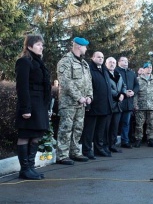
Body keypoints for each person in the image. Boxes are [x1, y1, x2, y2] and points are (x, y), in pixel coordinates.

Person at [15, 34, 51, 180]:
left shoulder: (39, 63)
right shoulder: (24, 62)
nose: (41, 47)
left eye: (42, 45)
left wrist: (46, 107)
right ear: (29, 46)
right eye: (38, 44)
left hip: (40, 106)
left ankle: (30, 167)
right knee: (25, 136)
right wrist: (25, 109)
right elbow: (22, 87)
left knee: (36, 136)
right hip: (29, 105)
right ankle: (24, 169)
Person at [56, 37, 93, 165]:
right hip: (68, 103)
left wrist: (89, 96)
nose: (86, 49)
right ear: (78, 46)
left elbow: (88, 82)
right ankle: (62, 155)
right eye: (85, 46)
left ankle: (75, 152)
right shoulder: (65, 61)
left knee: (78, 128)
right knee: (66, 128)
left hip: (81, 103)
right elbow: (66, 82)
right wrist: (79, 97)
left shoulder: (84, 64)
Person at [81, 52, 113, 158]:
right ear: (92, 57)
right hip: (93, 105)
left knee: (100, 130)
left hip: (104, 106)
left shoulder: (104, 69)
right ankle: (87, 150)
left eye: (102, 57)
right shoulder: (89, 69)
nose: (101, 59)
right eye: (98, 57)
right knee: (89, 130)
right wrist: (88, 104)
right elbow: (86, 86)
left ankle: (99, 149)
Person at [133, 62, 153, 148]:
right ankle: (138, 139)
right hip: (140, 105)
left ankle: (151, 139)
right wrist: (135, 104)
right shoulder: (138, 79)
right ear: (144, 68)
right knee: (139, 124)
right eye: (148, 67)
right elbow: (135, 93)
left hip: (151, 105)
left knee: (151, 123)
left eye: (151, 67)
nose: (150, 69)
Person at [115, 56, 138, 148]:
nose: (126, 62)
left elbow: (137, 85)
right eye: (123, 61)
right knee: (115, 123)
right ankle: (112, 142)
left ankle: (125, 141)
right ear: (118, 62)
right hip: (119, 102)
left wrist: (133, 92)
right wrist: (124, 92)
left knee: (126, 123)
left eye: (127, 61)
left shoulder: (131, 73)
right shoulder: (116, 71)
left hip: (129, 102)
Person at [105, 57, 126, 153]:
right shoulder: (104, 74)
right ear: (106, 63)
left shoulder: (118, 74)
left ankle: (112, 145)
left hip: (118, 105)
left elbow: (124, 86)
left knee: (114, 126)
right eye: (110, 62)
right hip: (109, 104)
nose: (112, 64)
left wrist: (123, 94)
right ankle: (105, 146)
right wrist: (117, 95)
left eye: (113, 62)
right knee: (106, 127)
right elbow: (107, 87)